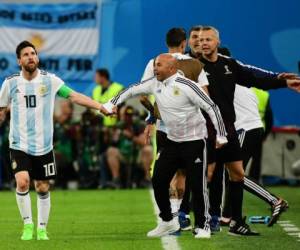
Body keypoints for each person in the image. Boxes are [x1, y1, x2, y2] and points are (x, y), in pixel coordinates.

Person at [102, 53, 227, 239]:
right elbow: (131, 90)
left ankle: (203, 226)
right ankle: (168, 221)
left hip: (194, 141)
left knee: (197, 185)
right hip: (171, 141)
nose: (154, 68)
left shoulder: (188, 86)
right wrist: (111, 103)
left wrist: (221, 134)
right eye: (154, 65)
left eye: (159, 65)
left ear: (171, 68)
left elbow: (211, 107)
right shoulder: (154, 83)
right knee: (158, 180)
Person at [194, 26, 300, 236]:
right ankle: (203, 221)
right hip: (209, 131)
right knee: (206, 175)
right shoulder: (194, 66)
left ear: (217, 42)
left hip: (232, 131)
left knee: (237, 174)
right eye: (200, 40)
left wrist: (281, 80)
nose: (203, 43)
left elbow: (254, 76)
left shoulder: (229, 65)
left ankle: (236, 222)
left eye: (208, 39)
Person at [0, 41, 108, 241]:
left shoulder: (50, 81)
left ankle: (42, 228)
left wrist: (99, 106)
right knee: (23, 183)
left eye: (33, 53)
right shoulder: (10, 83)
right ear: (19, 60)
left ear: (37, 57)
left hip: (44, 146)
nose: (31, 57)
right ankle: (27, 225)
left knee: (42, 187)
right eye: (26, 54)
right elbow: (1, 109)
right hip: (19, 144)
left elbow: (74, 96)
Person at [140, 27, 209, 230]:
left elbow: (144, 96)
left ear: (166, 43)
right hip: (191, 130)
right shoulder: (193, 65)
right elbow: (205, 96)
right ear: (184, 43)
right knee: (186, 175)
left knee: (164, 173)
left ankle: (171, 216)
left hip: (164, 128)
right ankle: (183, 215)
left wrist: (155, 114)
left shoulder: (155, 62)